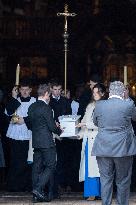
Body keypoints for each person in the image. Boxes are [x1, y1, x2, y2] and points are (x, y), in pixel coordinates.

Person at [92, 81, 136, 205]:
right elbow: (135, 117)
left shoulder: (99, 105)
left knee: (105, 180)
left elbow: (95, 122)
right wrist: (127, 100)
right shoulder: (128, 104)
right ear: (123, 92)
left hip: (103, 146)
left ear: (110, 92)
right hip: (123, 148)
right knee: (123, 181)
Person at [27, 84, 62, 203]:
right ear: (46, 94)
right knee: (51, 165)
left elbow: (30, 125)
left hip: (36, 141)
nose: (50, 97)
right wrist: (59, 129)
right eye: (50, 95)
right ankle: (37, 189)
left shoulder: (31, 107)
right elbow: (52, 127)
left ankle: (36, 196)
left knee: (36, 168)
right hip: (47, 142)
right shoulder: (46, 108)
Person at [5, 80, 36, 192]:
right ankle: (15, 185)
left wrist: (24, 120)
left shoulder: (35, 101)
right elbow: (9, 115)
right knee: (16, 161)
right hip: (15, 135)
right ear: (19, 91)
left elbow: (37, 116)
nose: (24, 92)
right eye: (22, 89)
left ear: (30, 90)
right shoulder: (15, 101)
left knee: (28, 161)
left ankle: (28, 185)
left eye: (27, 89)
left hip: (29, 135)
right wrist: (13, 97)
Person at [77, 83, 106, 200]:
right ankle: (91, 193)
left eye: (97, 92)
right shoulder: (90, 106)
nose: (95, 95)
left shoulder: (106, 106)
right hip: (89, 139)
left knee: (101, 168)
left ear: (103, 93)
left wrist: (85, 124)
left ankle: (101, 192)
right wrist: (79, 134)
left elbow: (102, 123)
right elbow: (84, 121)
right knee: (90, 168)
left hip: (100, 140)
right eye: (93, 92)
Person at [49, 81, 72, 195]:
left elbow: (69, 116)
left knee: (63, 160)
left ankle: (62, 184)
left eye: (59, 90)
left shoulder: (66, 101)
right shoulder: (48, 101)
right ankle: (54, 185)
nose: (57, 92)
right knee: (54, 161)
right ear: (51, 89)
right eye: (55, 89)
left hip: (64, 135)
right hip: (53, 135)